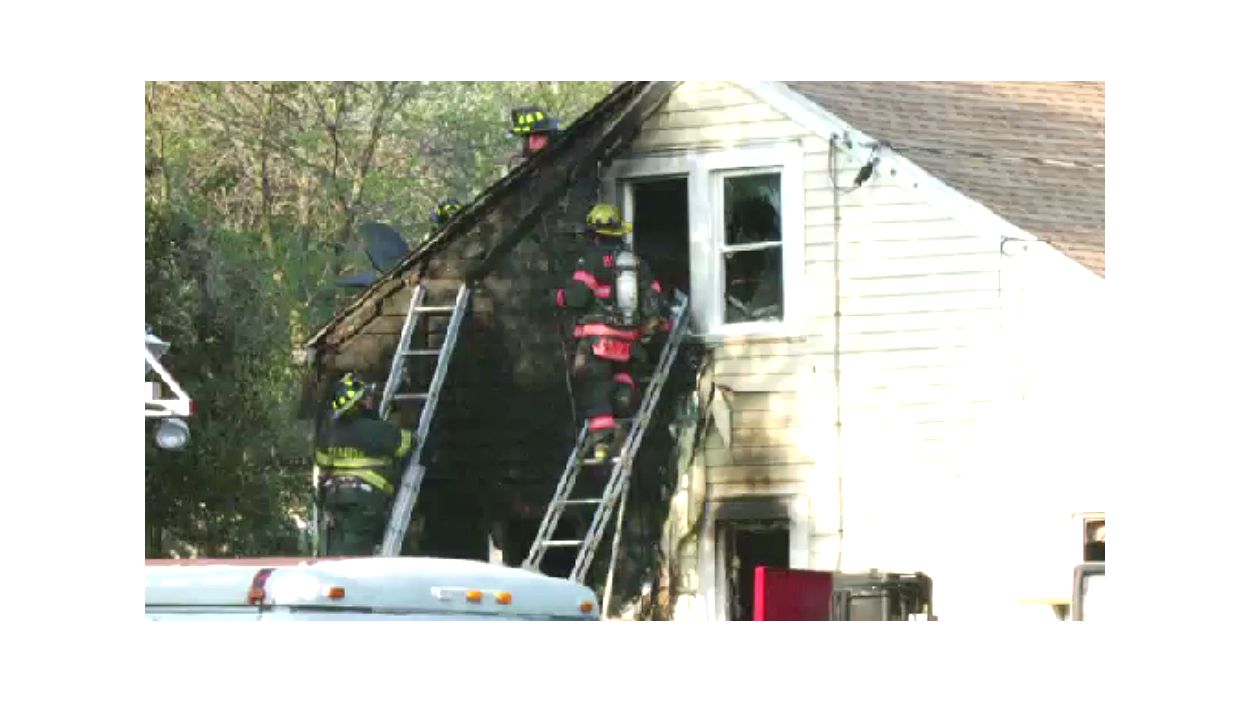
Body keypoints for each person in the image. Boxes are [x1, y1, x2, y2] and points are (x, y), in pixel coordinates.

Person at [553, 203, 670, 462]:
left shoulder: (590, 260)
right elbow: (655, 296)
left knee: (593, 383)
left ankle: (602, 444)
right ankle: (623, 397)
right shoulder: (635, 263)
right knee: (620, 376)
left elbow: (578, 297)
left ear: (594, 234)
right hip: (629, 339)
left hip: (598, 339)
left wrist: (557, 297)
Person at [314, 373, 413, 555]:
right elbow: (407, 444)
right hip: (365, 503)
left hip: (335, 500)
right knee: (357, 560)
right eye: (366, 397)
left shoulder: (329, 434)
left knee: (335, 555)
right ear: (357, 403)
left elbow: (322, 467)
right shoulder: (375, 430)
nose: (370, 400)